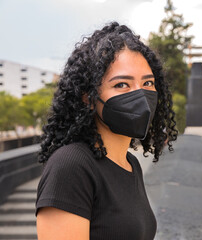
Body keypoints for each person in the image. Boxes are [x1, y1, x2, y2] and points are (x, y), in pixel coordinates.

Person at [35, 21, 178, 240]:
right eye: (122, 84)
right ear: (89, 98)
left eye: (148, 83)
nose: (141, 96)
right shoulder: (71, 166)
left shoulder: (131, 164)